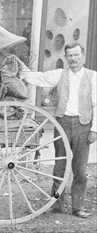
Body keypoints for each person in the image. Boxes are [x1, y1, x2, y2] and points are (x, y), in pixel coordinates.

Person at [18, 42, 96, 218]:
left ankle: (78, 207)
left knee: (80, 170)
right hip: (62, 123)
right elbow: (39, 78)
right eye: (70, 56)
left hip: (83, 126)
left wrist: (95, 129)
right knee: (59, 167)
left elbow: (96, 104)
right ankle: (57, 204)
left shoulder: (93, 77)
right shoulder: (59, 75)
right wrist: (21, 69)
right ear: (66, 58)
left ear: (82, 56)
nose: (73, 59)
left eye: (76, 55)